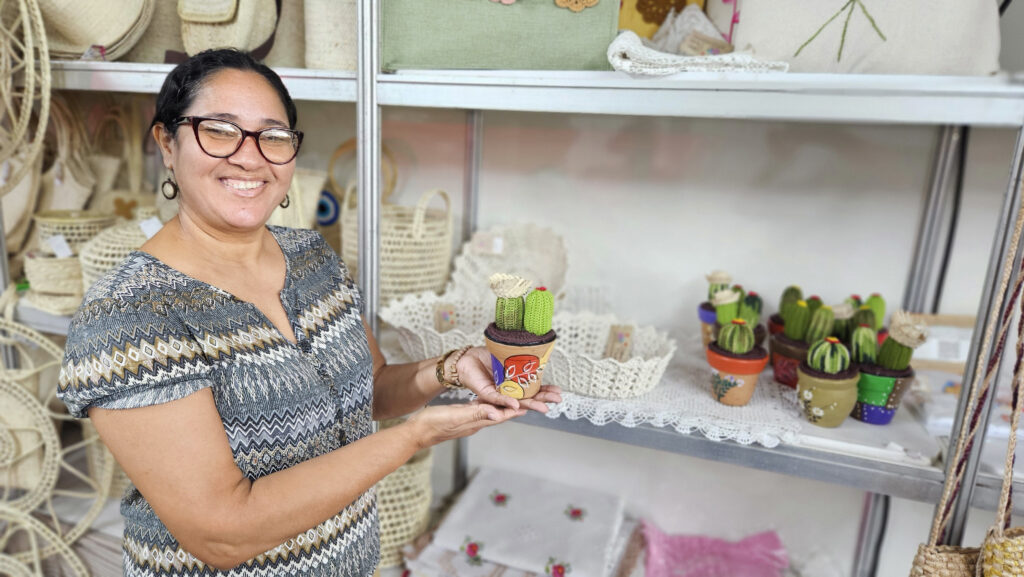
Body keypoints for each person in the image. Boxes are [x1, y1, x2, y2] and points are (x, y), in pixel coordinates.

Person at [57, 48, 562, 577]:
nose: (250, 158)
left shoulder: (310, 257)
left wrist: (452, 367)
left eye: (273, 136)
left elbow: (370, 390)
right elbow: (221, 533)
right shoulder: (128, 316)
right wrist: (415, 436)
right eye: (220, 131)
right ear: (167, 143)